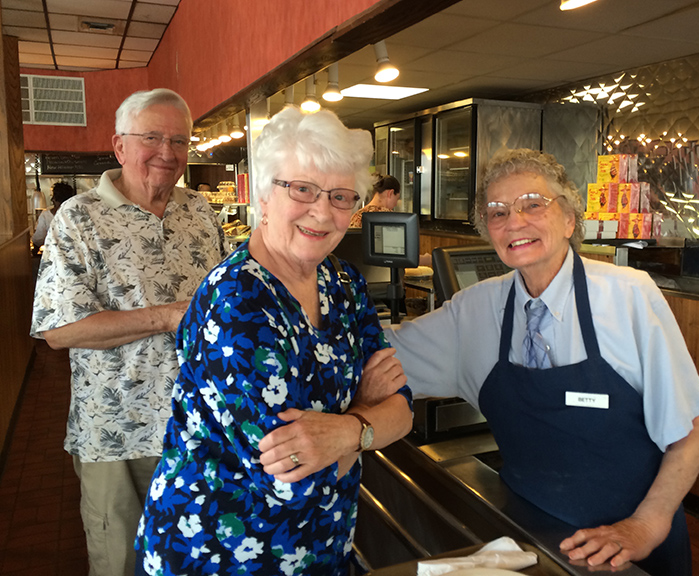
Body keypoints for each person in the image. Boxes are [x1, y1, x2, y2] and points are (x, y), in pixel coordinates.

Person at [384, 149, 699, 576]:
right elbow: (381, 357)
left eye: (533, 204)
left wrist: (646, 524)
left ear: (570, 219)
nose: (515, 222)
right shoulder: (475, 310)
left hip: (630, 548)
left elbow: (692, 428)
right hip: (527, 537)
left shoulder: (627, 295)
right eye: (497, 213)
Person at [135, 106, 413, 576]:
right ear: (263, 196)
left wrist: (345, 431)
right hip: (219, 552)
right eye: (302, 189)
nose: (322, 211)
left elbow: (403, 408)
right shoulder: (237, 301)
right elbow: (293, 476)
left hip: (321, 546)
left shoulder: (342, 283)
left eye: (342, 196)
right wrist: (368, 416)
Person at [30, 88, 226, 576]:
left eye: (179, 140)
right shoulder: (78, 217)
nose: (167, 152)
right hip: (116, 431)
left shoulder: (200, 212)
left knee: (196, 556)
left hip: (199, 430)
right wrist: (165, 315)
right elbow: (59, 331)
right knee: (120, 560)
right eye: (152, 137)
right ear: (119, 146)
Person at [31, 181, 75, 249]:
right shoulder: (77, 215)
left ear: (54, 199)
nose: (52, 199)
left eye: (53, 197)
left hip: (54, 256)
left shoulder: (46, 216)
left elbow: (38, 240)